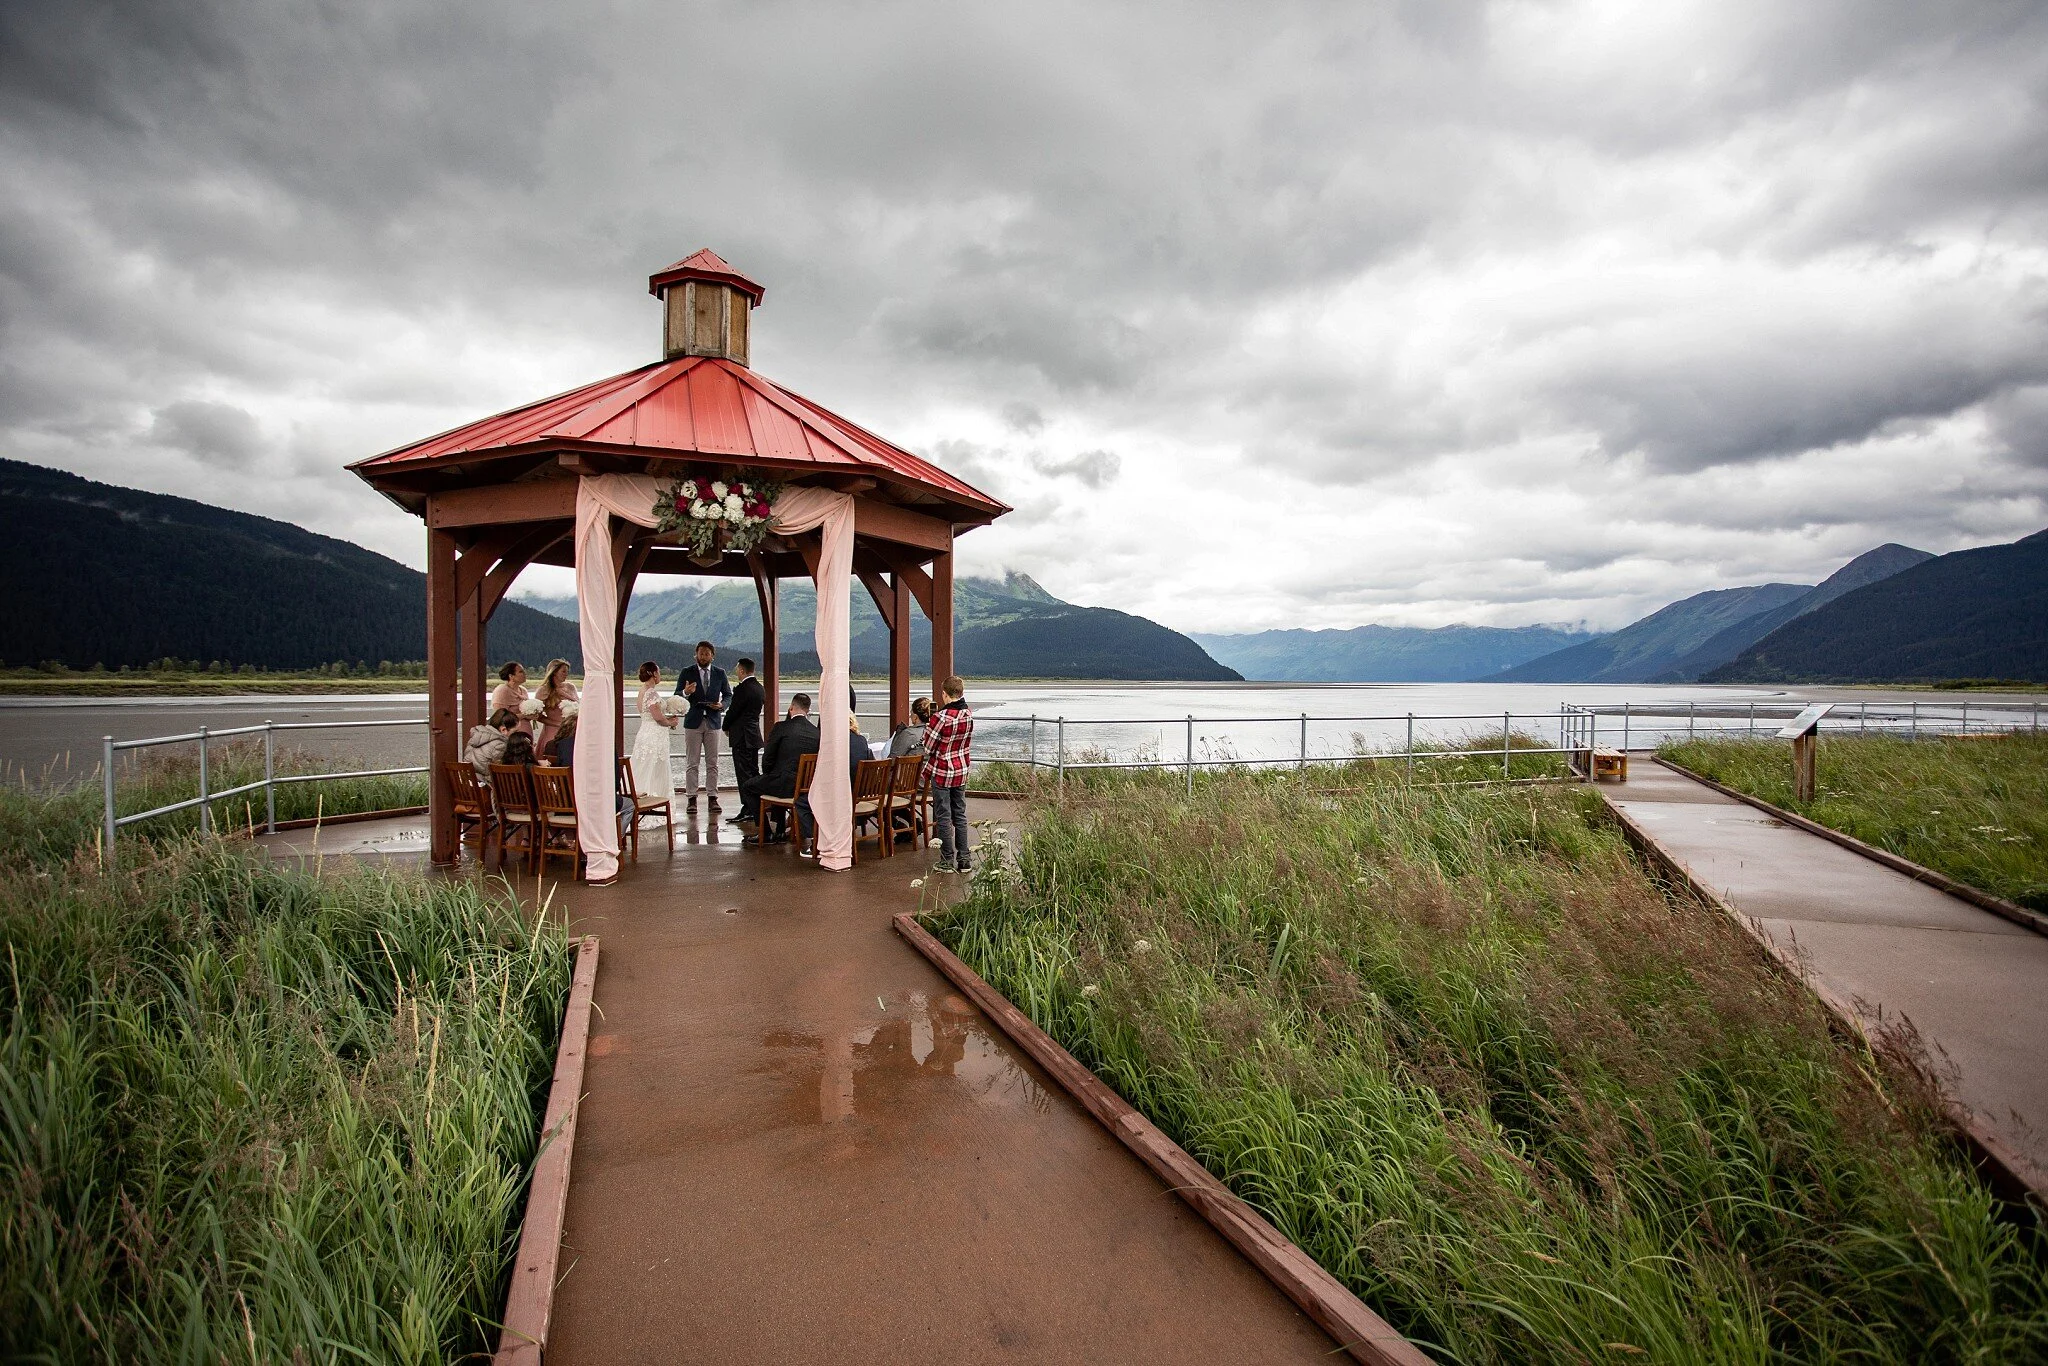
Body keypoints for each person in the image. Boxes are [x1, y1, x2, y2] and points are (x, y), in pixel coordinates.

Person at [795, 707, 874, 856]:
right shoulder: (861, 740)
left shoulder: (834, 742)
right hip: (858, 794)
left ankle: (814, 842)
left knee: (802, 802)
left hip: (841, 794)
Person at [740, 693, 819, 842]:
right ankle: (781, 831)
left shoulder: (781, 727)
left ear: (790, 708)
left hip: (785, 785)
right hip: (806, 788)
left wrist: (768, 774)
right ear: (808, 711)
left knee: (749, 787)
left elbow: (768, 760)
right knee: (778, 778)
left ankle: (766, 832)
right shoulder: (817, 732)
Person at [922, 676, 973, 873]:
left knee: (943, 815)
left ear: (944, 694)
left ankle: (946, 860)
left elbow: (928, 747)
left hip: (942, 770)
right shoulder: (968, 714)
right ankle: (964, 859)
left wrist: (928, 729)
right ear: (960, 692)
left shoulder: (940, 718)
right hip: (961, 769)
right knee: (959, 813)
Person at [674, 640, 730, 814]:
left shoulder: (720, 673)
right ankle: (692, 798)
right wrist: (686, 693)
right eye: (701, 653)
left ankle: (713, 797)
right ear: (696, 654)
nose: (704, 656)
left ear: (712, 656)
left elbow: (728, 694)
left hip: (713, 721)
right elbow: (677, 695)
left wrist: (722, 706)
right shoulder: (686, 672)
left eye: (707, 653)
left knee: (713, 762)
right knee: (692, 762)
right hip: (693, 722)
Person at [631, 660, 677, 812]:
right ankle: (653, 804)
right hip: (654, 735)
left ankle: (639, 801)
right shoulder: (651, 692)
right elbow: (657, 717)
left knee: (644, 766)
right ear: (653, 673)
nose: (660, 675)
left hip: (645, 731)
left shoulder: (642, 690)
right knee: (655, 769)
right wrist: (671, 722)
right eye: (658, 672)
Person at [723, 657, 765, 822]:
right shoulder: (760, 688)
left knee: (743, 774)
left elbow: (733, 711)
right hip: (753, 735)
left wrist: (725, 726)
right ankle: (753, 806)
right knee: (753, 771)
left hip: (742, 737)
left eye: (737, 669)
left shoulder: (742, 689)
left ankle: (749, 808)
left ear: (741, 670)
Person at [533, 658, 577, 756]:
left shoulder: (570, 687)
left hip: (571, 729)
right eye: (563, 671)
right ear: (554, 672)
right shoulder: (543, 690)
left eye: (567, 672)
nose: (566, 674)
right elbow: (538, 716)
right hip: (553, 730)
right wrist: (557, 723)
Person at [465, 707, 519, 782]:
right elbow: (502, 771)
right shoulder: (500, 744)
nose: (516, 735)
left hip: (471, 783)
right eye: (514, 732)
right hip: (487, 786)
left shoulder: (477, 737)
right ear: (503, 730)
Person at [490, 661, 531, 733]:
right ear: (511, 676)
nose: (525, 674)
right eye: (521, 672)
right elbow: (500, 717)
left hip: (526, 729)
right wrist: (524, 716)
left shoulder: (523, 690)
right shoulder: (502, 691)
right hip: (511, 732)